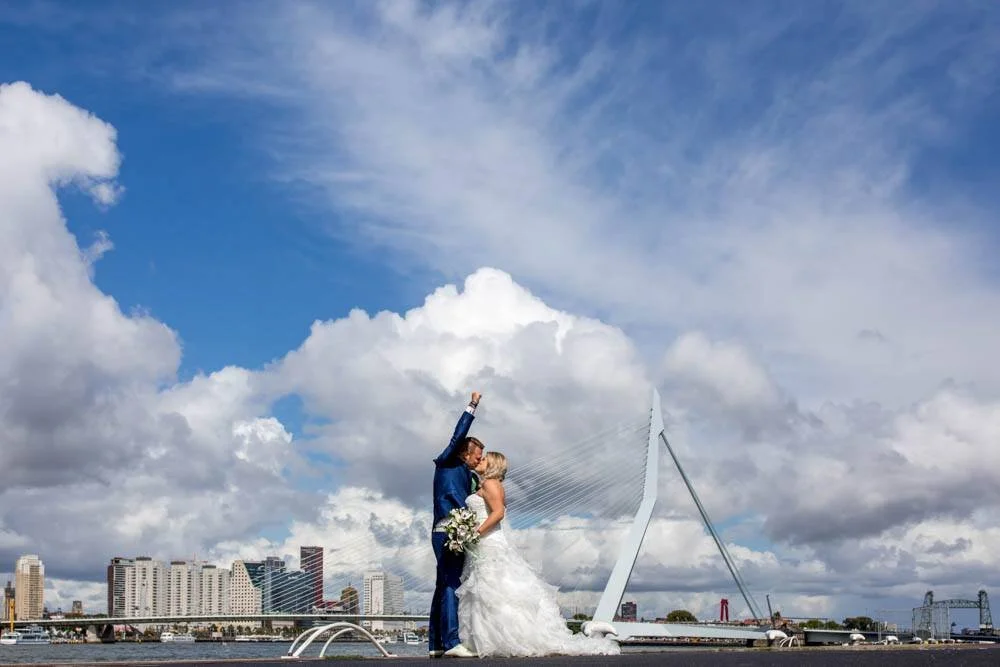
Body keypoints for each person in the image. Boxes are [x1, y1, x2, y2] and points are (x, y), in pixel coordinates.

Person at [455, 451, 621, 657]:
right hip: (484, 544)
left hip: (489, 542)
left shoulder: (491, 484)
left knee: (491, 592)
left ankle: (483, 643)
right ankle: (481, 642)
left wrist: (475, 533)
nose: (480, 460)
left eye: (484, 458)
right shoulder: (486, 484)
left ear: (493, 465)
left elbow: (498, 513)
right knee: (488, 593)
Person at [429, 391, 485, 658]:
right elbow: (458, 433)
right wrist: (472, 405)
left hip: (452, 530)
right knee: (451, 583)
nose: (478, 460)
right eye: (476, 455)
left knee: (443, 585)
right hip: (447, 530)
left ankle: (435, 644)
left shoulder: (468, 474)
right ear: (465, 452)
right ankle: (452, 643)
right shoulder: (449, 460)